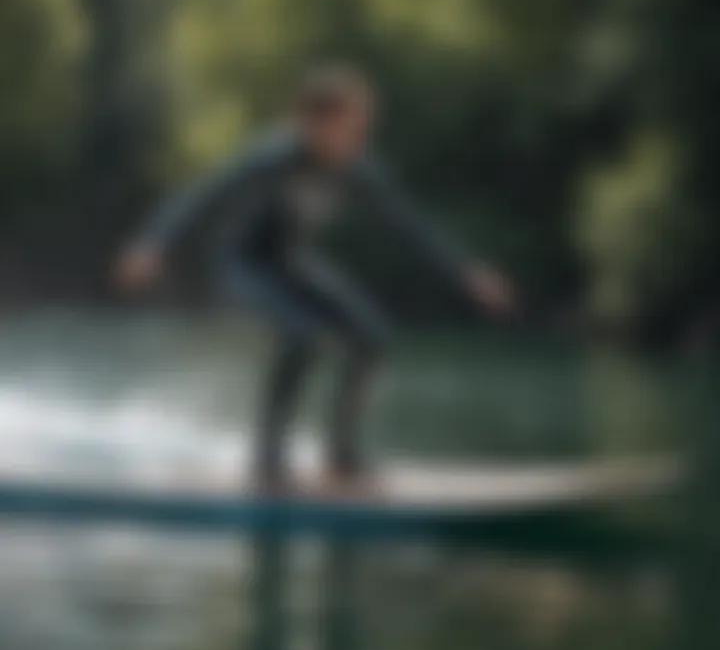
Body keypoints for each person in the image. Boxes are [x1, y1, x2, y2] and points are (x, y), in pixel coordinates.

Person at [114, 64, 514, 492]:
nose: (360, 132)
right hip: (244, 264)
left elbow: (407, 224)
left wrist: (466, 271)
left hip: (288, 261)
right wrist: (152, 244)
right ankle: (267, 463)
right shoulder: (274, 158)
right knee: (301, 336)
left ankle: (342, 458)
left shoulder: (353, 167)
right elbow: (203, 195)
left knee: (371, 335)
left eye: (364, 123)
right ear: (316, 122)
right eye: (352, 122)